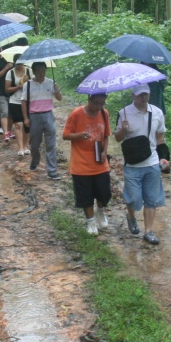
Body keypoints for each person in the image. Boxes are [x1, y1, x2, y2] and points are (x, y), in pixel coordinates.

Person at [113, 84, 167, 246]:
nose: (144, 97)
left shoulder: (157, 112)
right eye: (140, 94)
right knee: (134, 199)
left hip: (152, 162)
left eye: (146, 94)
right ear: (133, 96)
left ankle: (148, 231)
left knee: (151, 199)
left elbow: (160, 137)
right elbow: (117, 138)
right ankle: (131, 216)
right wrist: (123, 129)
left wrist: (164, 158)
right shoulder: (124, 113)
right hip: (132, 164)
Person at [63, 92, 112, 235]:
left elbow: (106, 135)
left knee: (104, 192)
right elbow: (65, 135)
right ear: (89, 99)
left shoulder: (104, 114)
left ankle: (100, 211)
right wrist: (78, 135)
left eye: (102, 103)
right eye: (96, 103)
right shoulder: (76, 114)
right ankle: (90, 221)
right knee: (86, 195)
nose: (98, 107)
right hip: (81, 163)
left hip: (100, 162)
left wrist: (104, 152)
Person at [23, 62, 62, 179]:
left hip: (48, 114)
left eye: (43, 71)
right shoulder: (28, 85)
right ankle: (35, 160)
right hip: (34, 116)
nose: (41, 73)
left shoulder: (50, 82)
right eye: (38, 71)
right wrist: (26, 118)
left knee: (51, 144)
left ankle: (52, 170)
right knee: (34, 144)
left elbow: (59, 98)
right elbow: (23, 102)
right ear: (33, 72)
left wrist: (57, 90)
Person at [6, 60, 31, 156]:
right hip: (14, 101)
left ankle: (25, 146)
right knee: (18, 125)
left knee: (27, 125)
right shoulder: (10, 73)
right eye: (16, 64)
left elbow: (35, 84)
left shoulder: (29, 71)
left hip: (27, 101)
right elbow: (7, 89)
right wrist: (18, 87)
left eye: (20, 64)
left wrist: (28, 82)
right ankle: (20, 148)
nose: (18, 66)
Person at [0, 46, 15, 142]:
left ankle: (9, 130)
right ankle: (5, 132)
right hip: (1, 92)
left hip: (12, 92)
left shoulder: (15, 62)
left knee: (11, 114)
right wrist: (6, 68)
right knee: (4, 112)